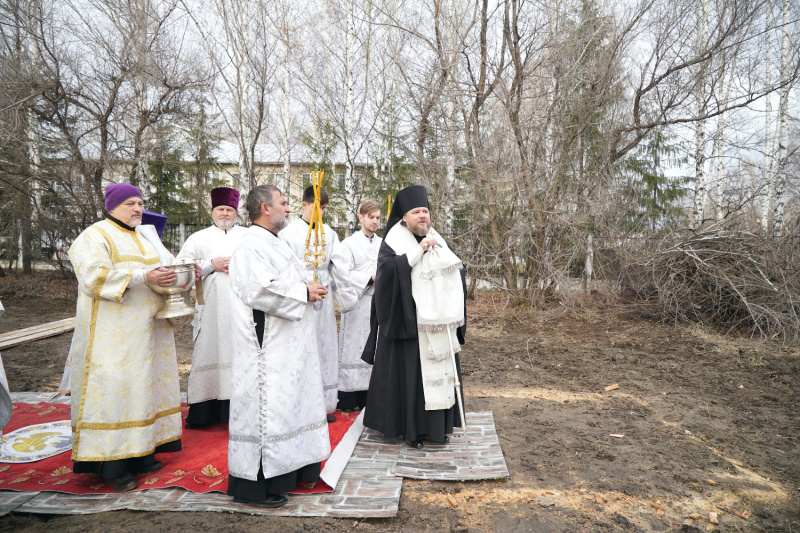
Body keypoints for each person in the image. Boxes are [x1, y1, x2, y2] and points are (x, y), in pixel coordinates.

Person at [67, 183, 183, 492]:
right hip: (112, 338)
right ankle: (112, 466)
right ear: (112, 206)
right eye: (130, 203)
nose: (137, 208)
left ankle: (140, 454)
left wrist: (183, 275)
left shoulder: (145, 236)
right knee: (116, 395)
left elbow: (166, 267)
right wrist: (144, 277)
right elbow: (92, 277)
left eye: (140, 203)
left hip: (149, 333)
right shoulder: (94, 236)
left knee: (143, 392)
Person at [227, 184, 331, 508]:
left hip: (289, 343)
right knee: (269, 409)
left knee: (290, 406)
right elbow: (255, 289)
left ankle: (291, 470)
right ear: (264, 208)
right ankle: (257, 486)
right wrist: (303, 293)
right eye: (283, 203)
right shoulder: (249, 245)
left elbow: (289, 279)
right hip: (266, 346)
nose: (288, 209)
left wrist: (309, 287)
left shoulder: (275, 242)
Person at [361, 185, 467, 448]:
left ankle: (436, 428)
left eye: (426, 211)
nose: (423, 216)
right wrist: (418, 252)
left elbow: (457, 271)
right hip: (408, 324)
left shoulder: (438, 238)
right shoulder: (393, 241)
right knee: (411, 379)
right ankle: (410, 430)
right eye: (416, 212)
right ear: (403, 217)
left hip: (437, 324)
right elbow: (386, 276)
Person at [279, 185, 356, 422]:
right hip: (298, 299)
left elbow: (341, 267)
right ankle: (298, 405)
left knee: (323, 348)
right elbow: (283, 267)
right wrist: (300, 289)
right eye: (316, 207)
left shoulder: (330, 233)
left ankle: (322, 405)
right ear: (304, 205)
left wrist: (348, 299)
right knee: (300, 349)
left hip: (323, 299)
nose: (320, 212)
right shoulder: (287, 234)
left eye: (323, 208)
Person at [176, 187, 246, 429]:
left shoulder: (249, 236)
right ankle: (204, 412)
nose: (225, 213)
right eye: (220, 209)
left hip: (242, 309)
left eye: (229, 209)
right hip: (211, 309)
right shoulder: (198, 238)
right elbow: (181, 268)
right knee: (209, 351)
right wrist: (210, 265)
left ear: (236, 212)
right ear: (213, 211)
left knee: (240, 354)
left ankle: (235, 413)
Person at [336, 200, 382, 412]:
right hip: (358, 302)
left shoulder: (384, 243)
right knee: (355, 347)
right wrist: (369, 278)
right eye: (370, 217)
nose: (374, 221)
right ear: (361, 217)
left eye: (378, 218)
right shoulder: (348, 244)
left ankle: (371, 395)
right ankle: (349, 396)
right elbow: (342, 275)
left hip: (378, 303)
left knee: (376, 347)